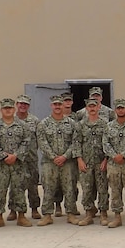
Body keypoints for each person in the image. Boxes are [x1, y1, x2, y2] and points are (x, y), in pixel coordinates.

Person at [0, 98, 33, 227]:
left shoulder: (23, 126)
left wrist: (16, 155)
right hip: (0, 165)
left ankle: (21, 216)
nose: (8, 110)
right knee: (0, 190)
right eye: (5, 108)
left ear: (14, 109)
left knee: (19, 190)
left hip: (18, 164)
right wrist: (3, 156)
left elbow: (27, 141)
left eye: (10, 108)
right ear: (1, 110)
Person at [35, 94, 79, 225]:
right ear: (51, 106)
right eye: (55, 104)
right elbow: (42, 142)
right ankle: (47, 215)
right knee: (48, 188)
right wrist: (54, 157)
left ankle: (71, 214)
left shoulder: (71, 123)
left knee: (69, 187)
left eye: (59, 104)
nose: (58, 107)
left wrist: (65, 156)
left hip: (67, 162)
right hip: (49, 162)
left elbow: (75, 142)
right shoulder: (43, 124)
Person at [102, 98, 125, 228]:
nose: (120, 110)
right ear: (115, 110)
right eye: (118, 108)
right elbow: (105, 144)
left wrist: (123, 155)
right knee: (115, 190)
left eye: (122, 108)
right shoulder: (109, 126)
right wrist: (114, 156)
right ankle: (117, 216)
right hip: (113, 164)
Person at [75, 98, 110, 225]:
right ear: (86, 108)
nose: (92, 108)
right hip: (86, 162)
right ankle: (89, 213)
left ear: (98, 107)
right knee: (87, 188)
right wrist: (79, 160)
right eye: (89, 106)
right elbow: (77, 143)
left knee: (102, 188)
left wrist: (106, 159)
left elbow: (107, 142)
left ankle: (103, 213)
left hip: (101, 161)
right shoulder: (80, 125)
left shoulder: (105, 124)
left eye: (94, 106)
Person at [15, 95, 42, 219]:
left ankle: (35, 208)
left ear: (28, 106)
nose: (22, 106)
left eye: (25, 104)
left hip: (31, 158)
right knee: (15, 185)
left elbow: (40, 139)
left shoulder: (35, 121)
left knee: (33, 185)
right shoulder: (11, 120)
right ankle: (13, 210)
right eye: (20, 103)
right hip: (16, 159)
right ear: (17, 104)